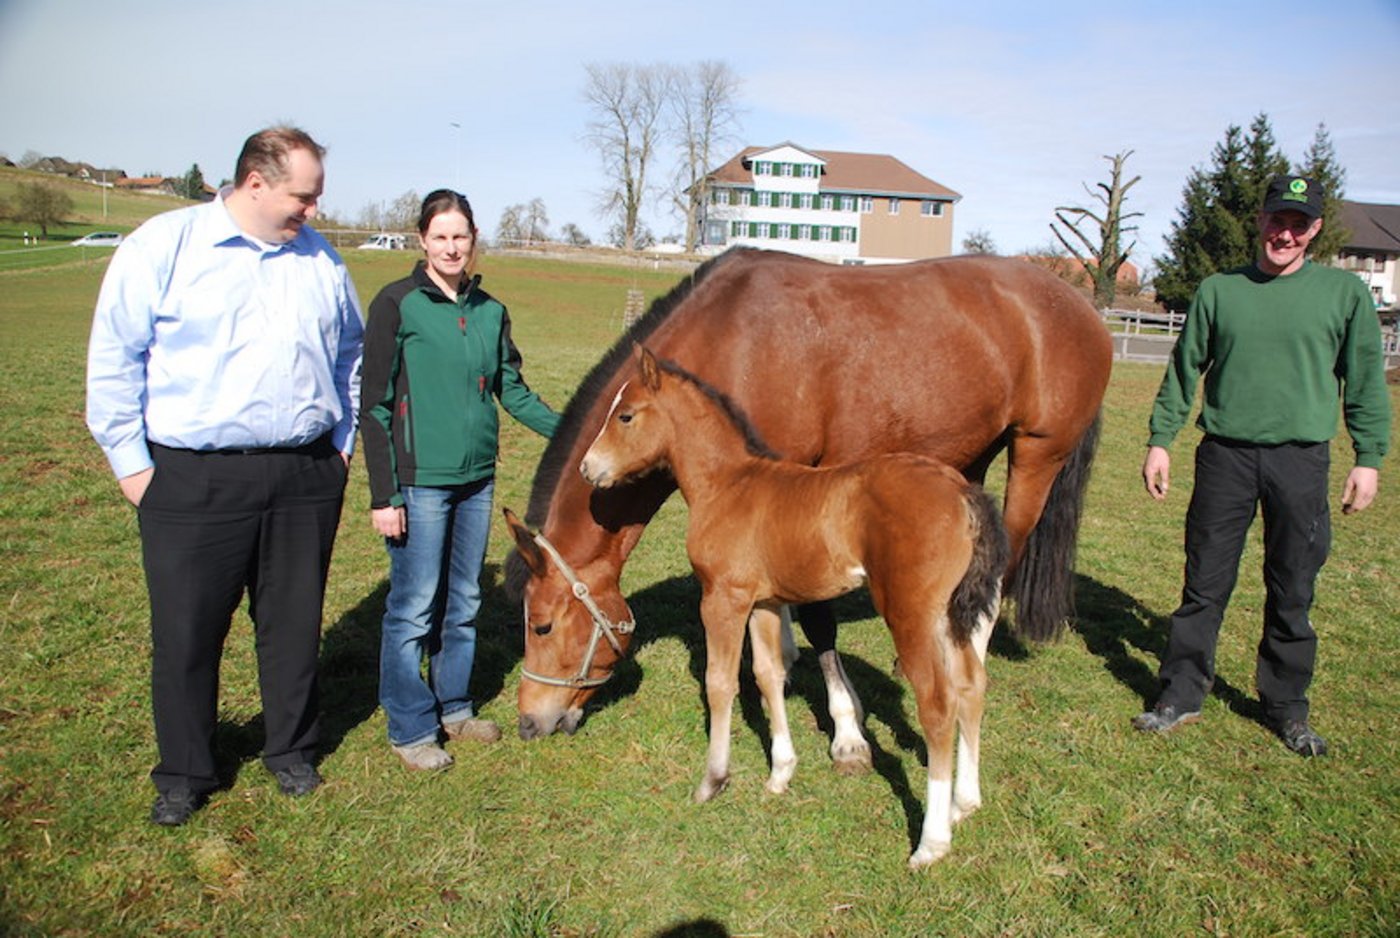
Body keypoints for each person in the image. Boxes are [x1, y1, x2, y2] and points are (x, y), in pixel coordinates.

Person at [86, 126, 364, 825]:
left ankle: (290, 751)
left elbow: (351, 359)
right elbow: (115, 358)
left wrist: (339, 448)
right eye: (304, 196)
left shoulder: (321, 261)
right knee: (186, 634)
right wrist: (135, 470)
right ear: (255, 182)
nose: (313, 210)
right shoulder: (165, 246)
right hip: (189, 479)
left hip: (303, 475)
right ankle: (184, 772)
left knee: (293, 626)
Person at [1135, 174, 1391, 757]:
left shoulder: (1343, 295)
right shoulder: (1219, 291)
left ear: (1315, 230)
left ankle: (1286, 707)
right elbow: (1184, 370)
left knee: (1293, 587)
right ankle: (1180, 693)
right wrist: (1159, 439)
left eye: (1298, 224)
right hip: (1225, 455)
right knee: (1204, 584)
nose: (1285, 233)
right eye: (1277, 220)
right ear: (1260, 221)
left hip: (1301, 460)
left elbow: (1366, 383)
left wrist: (1368, 458)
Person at [361, 189, 560, 770]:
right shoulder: (397, 304)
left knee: (465, 599)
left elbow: (512, 389)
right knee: (414, 606)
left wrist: (574, 430)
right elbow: (374, 406)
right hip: (419, 483)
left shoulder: (491, 311)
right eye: (441, 236)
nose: (452, 247)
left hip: (476, 481)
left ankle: (455, 706)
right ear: (422, 239)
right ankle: (410, 726)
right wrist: (384, 494)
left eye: (461, 237)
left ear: (474, 241)